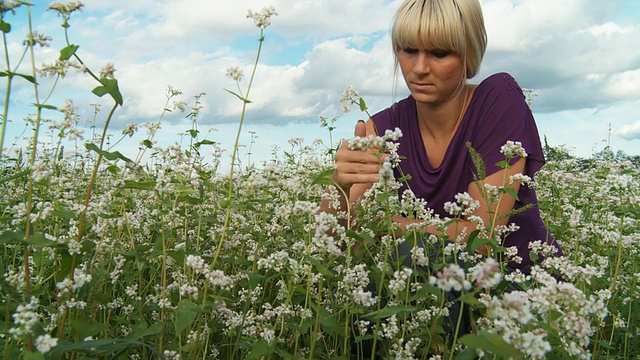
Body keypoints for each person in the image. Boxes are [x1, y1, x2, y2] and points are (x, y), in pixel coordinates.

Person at [321, 0, 562, 273]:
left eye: (440, 53)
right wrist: (339, 186)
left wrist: (385, 224)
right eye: (409, 50)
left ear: (468, 54)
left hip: (523, 288)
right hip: (429, 299)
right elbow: (338, 246)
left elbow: (481, 238)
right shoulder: (382, 127)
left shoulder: (497, 100)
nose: (420, 68)